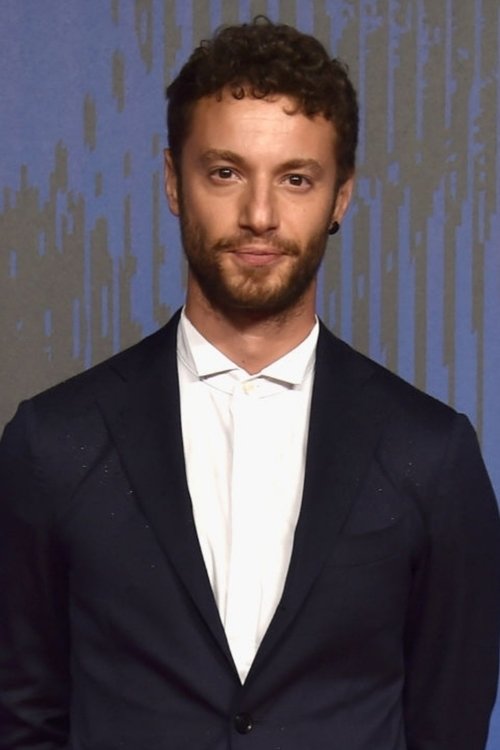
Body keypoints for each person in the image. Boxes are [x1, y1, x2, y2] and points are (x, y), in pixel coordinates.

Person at [0, 16, 499, 750]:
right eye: (225, 172)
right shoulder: (52, 443)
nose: (259, 216)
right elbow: (22, 715)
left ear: (341, 197)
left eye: (296, 179)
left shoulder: (432, 454)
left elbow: (448, 725)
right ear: (173, 182)